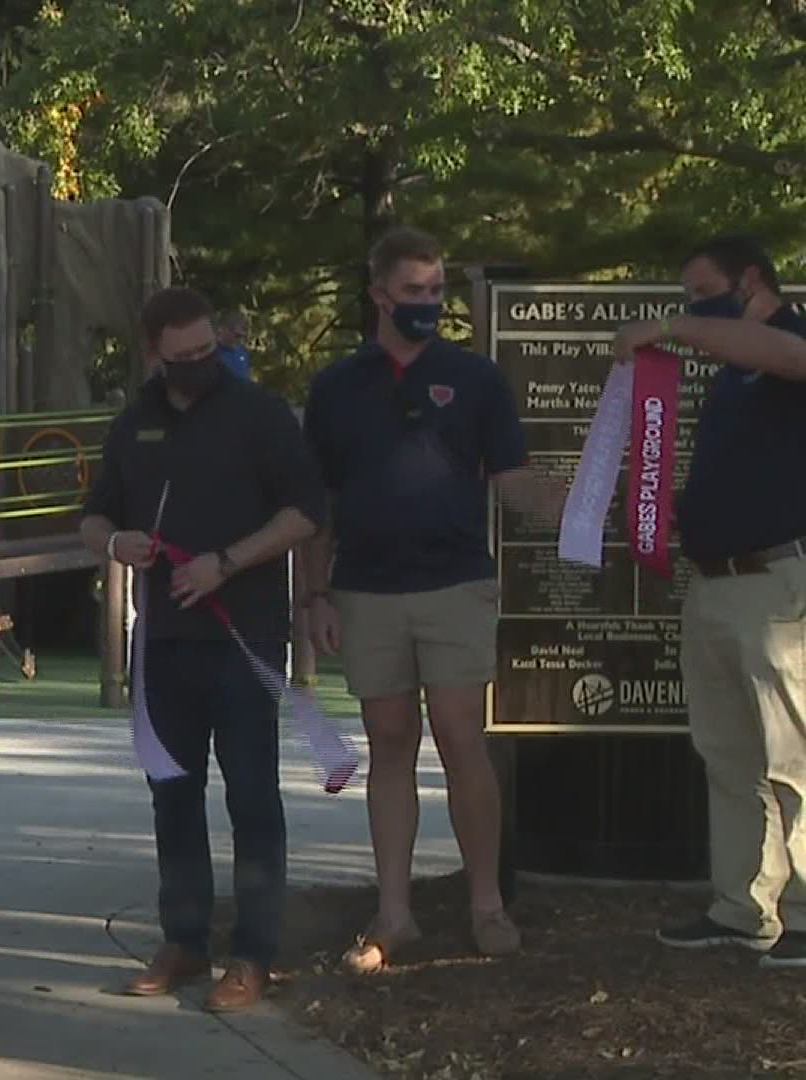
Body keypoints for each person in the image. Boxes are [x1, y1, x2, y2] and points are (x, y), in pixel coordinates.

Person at [301, 225, 555, 974]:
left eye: (437, 290)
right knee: (389, 742)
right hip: (366, 587)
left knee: (459, 736)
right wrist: (313, 594)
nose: (429, 304)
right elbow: (315, 502)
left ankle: (486, 905)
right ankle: (394, 913)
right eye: (414, 292)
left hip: (455, 582)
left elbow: (513, 478)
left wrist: (591, 512)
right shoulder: (336, 388)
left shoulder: (476, 378)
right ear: (378, 295)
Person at [81, 286, 325, 1011]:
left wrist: (228, 560)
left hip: (242, 636)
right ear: (154, 353)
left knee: (252, 798)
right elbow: (94, 517)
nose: (196, 366)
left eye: (206, 352)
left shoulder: (259, 413)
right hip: (165, 643)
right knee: (172, 797)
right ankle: (185, 940)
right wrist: (117, 543)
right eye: (181, 356)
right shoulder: (135, 424)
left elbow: (306, 512)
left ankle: (252, 955)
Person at [609, 235, 806, 968]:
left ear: (750, 281)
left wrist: (673, 327)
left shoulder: (789, 341)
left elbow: (789, 361)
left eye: (702, 293)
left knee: (795, 758)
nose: (691, 309)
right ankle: (743, 907)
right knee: (729, 756)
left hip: (780, 585)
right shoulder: (730, 379)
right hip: (717, 582)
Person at [216, 310, 253, 380]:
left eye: (242, 336)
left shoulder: (243, 352)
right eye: (237, 335)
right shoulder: (213, 353)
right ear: (225, 330)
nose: (240, 339)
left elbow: (247, 377)